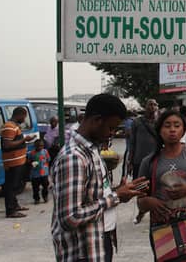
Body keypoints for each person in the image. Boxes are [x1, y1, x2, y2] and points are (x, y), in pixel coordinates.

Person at [51, 94, 147, 262]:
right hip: (83, 252)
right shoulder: (73, 158)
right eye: (110, 128)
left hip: (99, 242)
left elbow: (92, 196)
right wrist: (116, 197)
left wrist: (120, 192)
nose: (111, 134)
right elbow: (70, 217)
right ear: (96, 120)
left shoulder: (92, 149)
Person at [137, 110, 186, 262]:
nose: (172, 129)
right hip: (162, 229)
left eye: (176, 125)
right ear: (159, 130)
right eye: (167, 125)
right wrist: (149, 202)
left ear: (184, 130)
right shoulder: (148, 162)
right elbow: (140, 201)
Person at [0, 106, 35, 218]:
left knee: (16, 185)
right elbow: (7, 144)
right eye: (24, 117)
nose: (24, 119)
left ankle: (15, 205)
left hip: (18, 160)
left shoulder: (15, 126)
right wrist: (24, 140)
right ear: (19, 115)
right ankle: (10, 211)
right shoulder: (9, 127)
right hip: (12, 162)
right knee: (11, 186)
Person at [129, 99, 159, 179]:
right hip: (139, 160)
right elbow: (132, 142)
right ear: (145, 107)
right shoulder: (137, 122)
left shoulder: (159, 123)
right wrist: (130, 162)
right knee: (138, 185)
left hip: (155, 160)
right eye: (150, 104)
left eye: (154, 105)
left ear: (157, 108)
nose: (152, 106)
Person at [28, 139, 51, 204]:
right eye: (38, 146)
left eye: (41, 146)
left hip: (44, 173)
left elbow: (48, 159)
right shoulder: (31, 153)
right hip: (35, 174)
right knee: (35, 188)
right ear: (35, 146)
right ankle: (36, 199)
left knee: (45, 186)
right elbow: (28, 161)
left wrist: (45, 165)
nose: (39, 147)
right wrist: (32, 163)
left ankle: (45, 196)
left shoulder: (45, 152)